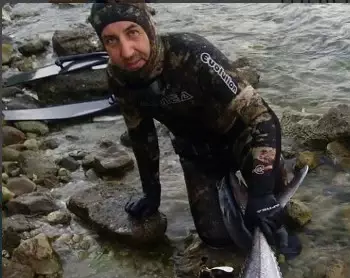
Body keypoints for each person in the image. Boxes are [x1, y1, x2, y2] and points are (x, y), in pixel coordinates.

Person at [88, 0, 301, 256]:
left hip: (239, 138)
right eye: (111, 40)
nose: (127, 51)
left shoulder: (193, 53)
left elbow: (262, 117)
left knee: (272, 211)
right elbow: (142, 137)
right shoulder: (118, 77)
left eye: (132, 33)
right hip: (198, 156)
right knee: (216, 239)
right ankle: (233, 192)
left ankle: (267, 188)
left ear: (150, 28)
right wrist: (151, 194)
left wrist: (262, 191)